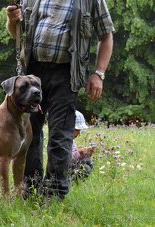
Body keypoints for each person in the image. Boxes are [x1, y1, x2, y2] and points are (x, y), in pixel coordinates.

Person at [6, 0, 114, 200]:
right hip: (32, 72)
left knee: (60, 135)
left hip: (66, 74)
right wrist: (12, 20)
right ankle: (30, 189)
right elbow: (15, 33)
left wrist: (99, 74)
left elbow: (106, 35)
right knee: (30, 133)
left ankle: (54, 193)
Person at [70, 111, 95, 181]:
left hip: (70, 166)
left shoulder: (72, 141)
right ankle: (71, 181)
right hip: (63, 170)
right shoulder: (61, 141)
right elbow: (65, 158)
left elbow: (75, 158)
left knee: (88, 162)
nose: (79, 134)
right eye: (78, 130)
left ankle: (76, 182)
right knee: (86, 168)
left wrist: (85, 154)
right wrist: (79, 152)